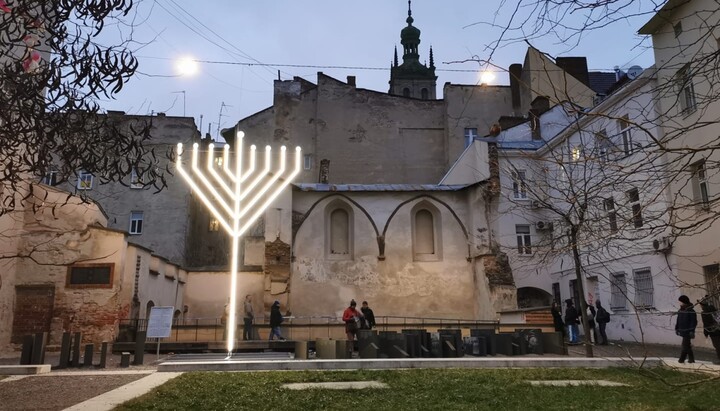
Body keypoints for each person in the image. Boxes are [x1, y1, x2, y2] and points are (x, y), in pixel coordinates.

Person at [675, 295, 697, 363]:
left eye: (680, 301)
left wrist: (691, 331)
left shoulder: (691, 311)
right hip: (682, 330)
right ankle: (690, 359)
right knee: (687, 345)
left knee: (685, 345)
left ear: (684, 301)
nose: (679, 303)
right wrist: (677, 328)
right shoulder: (680, 310)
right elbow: (678, 320)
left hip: (688, 331)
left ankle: (682, 359)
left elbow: (693, 322)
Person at [699, 297, 720, 365]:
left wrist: (706, 333)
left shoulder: (704, 313)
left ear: (703, 305)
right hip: (718, 329)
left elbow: (706, 324)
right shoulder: (714, 310)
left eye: (700, 305)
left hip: (713, 332)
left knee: (717, 346)